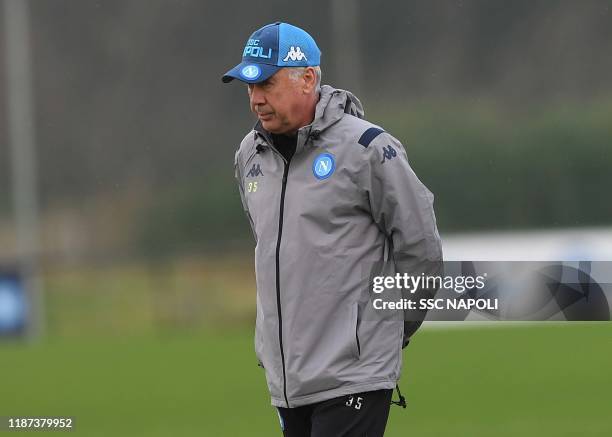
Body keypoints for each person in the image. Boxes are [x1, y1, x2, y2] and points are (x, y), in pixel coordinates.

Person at [223, 22, 442, 437]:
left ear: (307, 78)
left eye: (265, 84)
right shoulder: (248, 154)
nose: (255, 100)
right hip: (288, 383)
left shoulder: (368, 149)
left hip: (353, 375)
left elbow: (422, 250)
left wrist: (387, 331)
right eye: (248, 87)